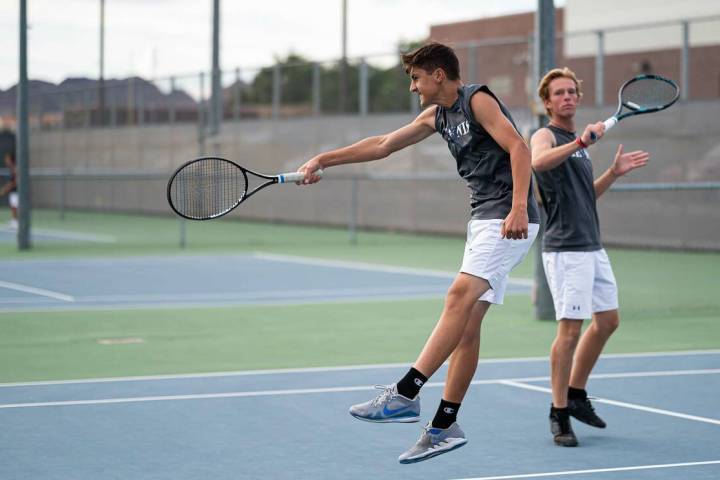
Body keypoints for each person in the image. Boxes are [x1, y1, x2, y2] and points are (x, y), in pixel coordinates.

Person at [296, 42, 540, 463]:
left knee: (456, 298)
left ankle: (406, 393)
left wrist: (519, 206)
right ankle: (445, 427)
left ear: (438, 75)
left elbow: (519, 147)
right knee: (465, 327)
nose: (413, 87)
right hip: (483, 218)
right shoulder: (437, 116)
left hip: (506, 216)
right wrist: (323, 159)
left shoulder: (476, 99)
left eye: (416, 78)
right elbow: (383, 144)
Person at [530, 67, 649, 447]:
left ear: (577, 98)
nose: (567, 97)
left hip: (592, 246)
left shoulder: (578, 145)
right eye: (558, 93)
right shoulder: (546, 135)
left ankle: (577, 393)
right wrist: (581, 142)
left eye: (571, 91)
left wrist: (612, 172)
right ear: (547, 102)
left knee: (608, 321)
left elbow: (584, 195)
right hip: (566, 250)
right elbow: (538, 163)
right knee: (570, 332)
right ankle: (559, 412)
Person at [1, 152, 18, 229]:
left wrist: (7, 188)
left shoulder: (15, 168)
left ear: (11, 159)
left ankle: (16, 221)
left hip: (17, 191)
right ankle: (14, 220)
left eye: (7, 159)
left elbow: (16, 181)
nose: (6, 160)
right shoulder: (11, 168)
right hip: (13, 191)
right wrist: (6, 188)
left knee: (15, 206)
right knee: (13, 206)